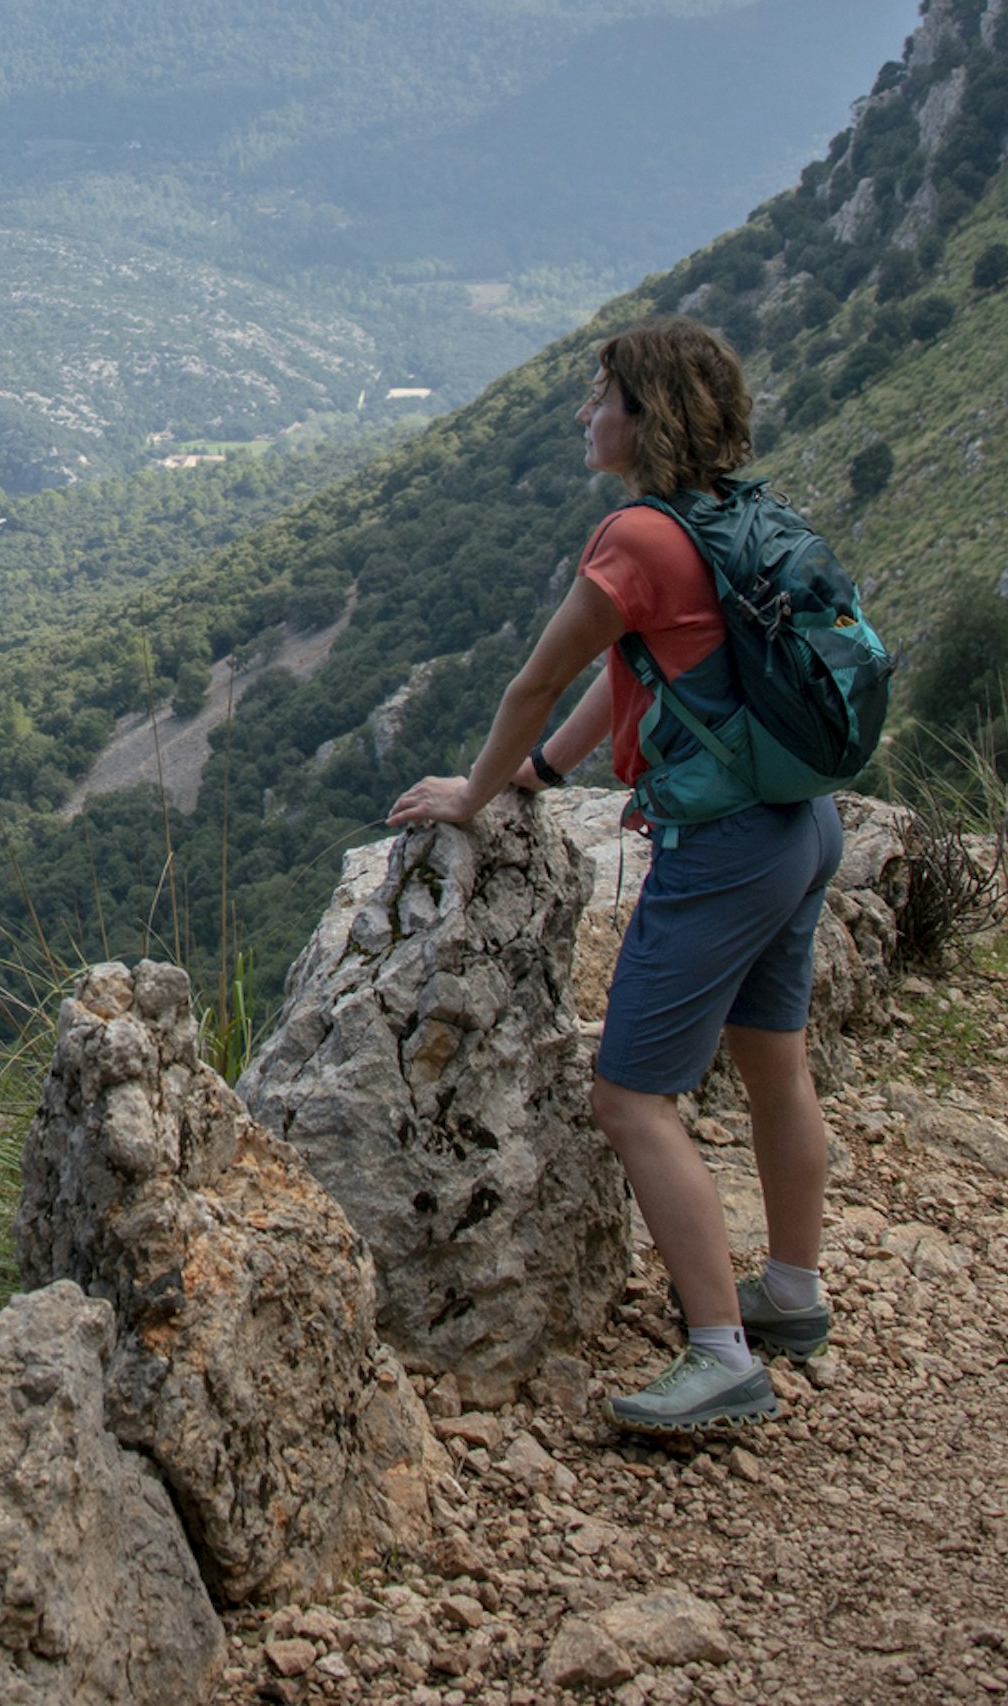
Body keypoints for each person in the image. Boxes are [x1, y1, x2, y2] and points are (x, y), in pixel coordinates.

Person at [389, 317, 839, 1437]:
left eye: (600, 398)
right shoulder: (737, 515)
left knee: (630, 1097)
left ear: (643, 417)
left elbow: (539, 679)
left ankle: (721, 1356)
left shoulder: (635, 537)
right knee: (775, 1068)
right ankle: (790, 1293)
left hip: (725, 848)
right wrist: (544, 776)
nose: (586, 415)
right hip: (802, 822)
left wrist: (477, 790)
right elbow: (646, 674)